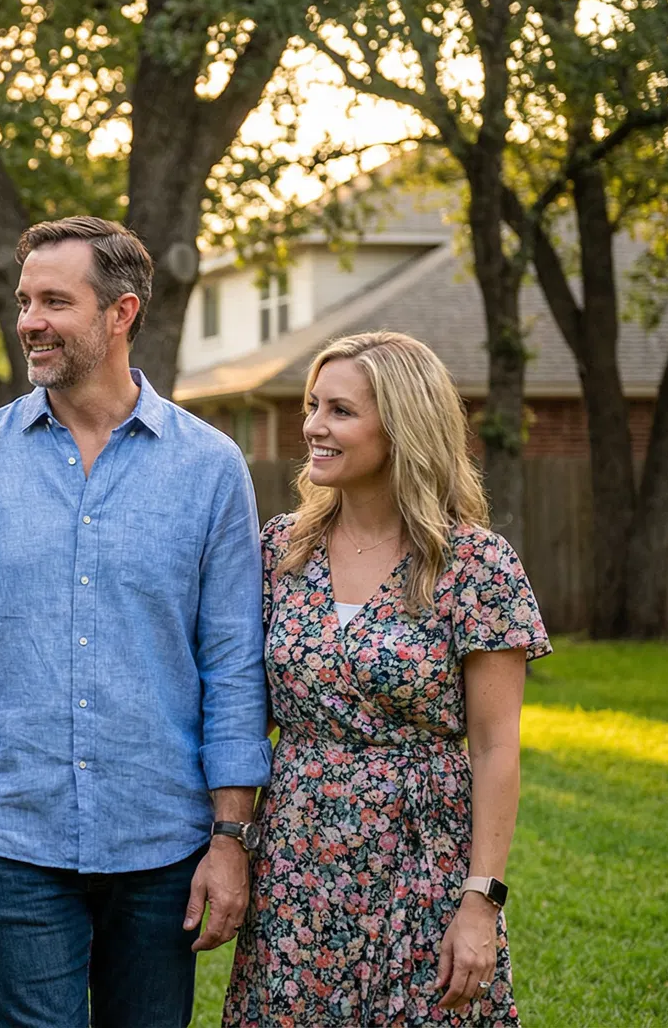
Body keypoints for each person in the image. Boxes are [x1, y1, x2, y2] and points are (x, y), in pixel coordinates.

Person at [0, 216, 272, 1028]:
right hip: (15, 837)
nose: (29, 320)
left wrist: (231, 839)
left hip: (164, 842)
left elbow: (234, 666)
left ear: (121, 313)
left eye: (55, 301)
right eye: (25, 300)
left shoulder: (210, 469)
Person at [223, 331, 549, 1027]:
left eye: (340, 410)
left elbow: (496, 748)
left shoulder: (475, 565)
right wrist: (230, 841)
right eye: (313, 405)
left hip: (424, 861)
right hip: (296, 863)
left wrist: (480, 901)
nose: (313, 425)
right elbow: (242, 711)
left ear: (401, 425)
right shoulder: (282, 549)